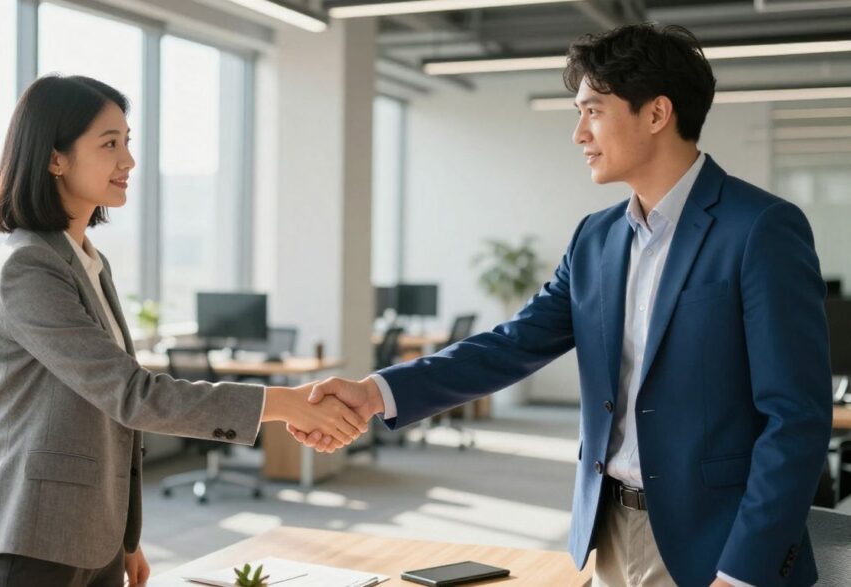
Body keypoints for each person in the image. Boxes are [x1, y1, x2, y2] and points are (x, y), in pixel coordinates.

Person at [291, 24, 832, 587]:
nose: (578, 134)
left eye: (593, 111)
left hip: (718, 543)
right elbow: (513, 346)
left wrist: (743, 573)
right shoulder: (595, 239)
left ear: (656, 114)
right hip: (609, 533)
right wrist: (376, 392)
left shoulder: (760, 228)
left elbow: (795, 418)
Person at [0, 75, 365, 587]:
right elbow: (131, 394)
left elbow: (104, 412)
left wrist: (124, 537)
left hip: (93, 537)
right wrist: (287, 404)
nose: (128, 160)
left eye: (127, 142)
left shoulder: (87, 261)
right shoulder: (27, 267)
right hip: (31, 541)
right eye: (110, 144)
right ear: (55, 158)